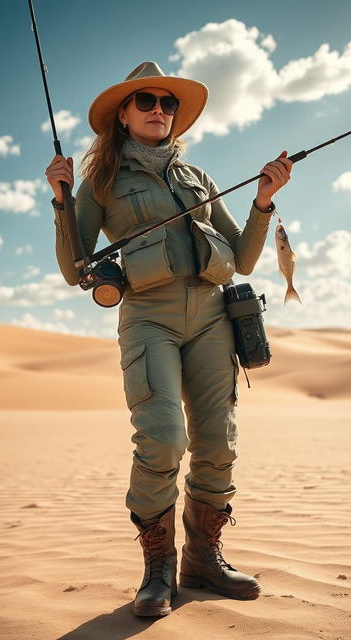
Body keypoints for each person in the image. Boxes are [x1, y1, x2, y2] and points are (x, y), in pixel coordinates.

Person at [45, 61, 292, 617]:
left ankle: (203, 559)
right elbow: (72, 267)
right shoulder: (103, 183)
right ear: (124, 116)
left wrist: (263, 200)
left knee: (218, 443)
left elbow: (245, 256)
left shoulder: (198, 178)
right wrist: (62, 198)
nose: (159, 109)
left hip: (212, 316)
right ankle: (157, 570)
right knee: (162, 437)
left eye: (168, 103)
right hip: (148, 316)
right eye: (147, 101)